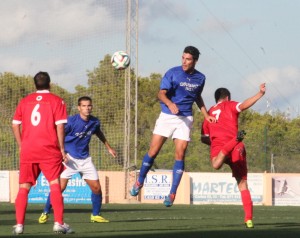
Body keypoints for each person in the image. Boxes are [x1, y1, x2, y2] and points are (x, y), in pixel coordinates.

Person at [130, 46, 215, 207]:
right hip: (167, 116)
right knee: (153, 151)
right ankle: (139, 181)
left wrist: (206, 115)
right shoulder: (173, 72)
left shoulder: (200, 78)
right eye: (183, 58)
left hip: (185, 118)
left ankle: (172, 193)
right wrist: (170, 103)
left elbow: (197, 97)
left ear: (195, 61)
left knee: (180, 153)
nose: (184, 61)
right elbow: (161, 93)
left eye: (188, 59)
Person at [38, 96, 117, 224]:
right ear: (79, 108)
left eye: (89, 106)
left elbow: (98, 133)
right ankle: (45, 212)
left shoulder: (94, 122)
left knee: (96, 188)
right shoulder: (71, 122)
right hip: (69, 159)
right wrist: (61, 152)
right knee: (59, 189)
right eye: (84, 106)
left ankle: (95, 215)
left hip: (85, 160)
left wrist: (109, 147)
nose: (87, 108)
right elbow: (57, 135)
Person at [12, 71, 73, 234]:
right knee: (54, 183)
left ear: (35, 85)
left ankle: (19, 225)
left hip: (28, 149)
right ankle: (58, 223)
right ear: (50, 84)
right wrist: (61, 148)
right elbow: (60, 126)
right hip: (49, 149)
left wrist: (21, 145)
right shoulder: (57, 100)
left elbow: (14, 124)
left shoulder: (25, 101)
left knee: (24, 187)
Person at [201, 83, 266, 228]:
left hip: (219, 147)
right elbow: (243, 105)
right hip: (235, 145)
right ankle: (248, 218)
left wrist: (213, 139)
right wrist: (260, 93)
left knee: (216, 164)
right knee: (242, 184)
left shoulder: (209, 113)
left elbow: (203, 138)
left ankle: (226, 149)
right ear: (228, 97)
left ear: (216, 98)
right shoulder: (230, 105)